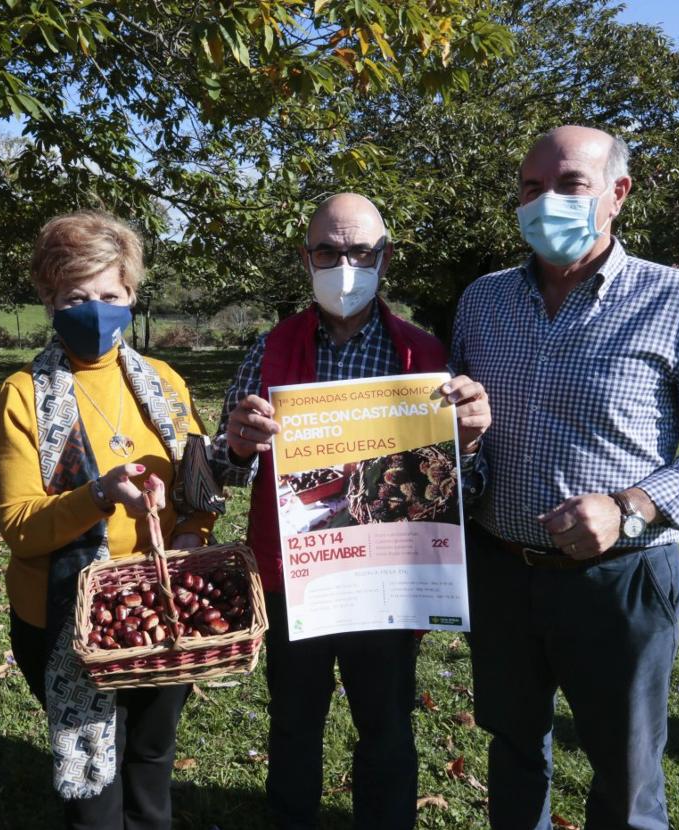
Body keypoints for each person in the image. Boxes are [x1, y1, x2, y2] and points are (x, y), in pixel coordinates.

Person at [451, 125, 679, 829]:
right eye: (532, 188)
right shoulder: (484, 301)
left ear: (617, 194)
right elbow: (458, 439)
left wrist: (631, 507)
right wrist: (465, 435)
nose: (546, 202)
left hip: (621, 580)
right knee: (512, 747)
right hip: (501, 570)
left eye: (569, 185)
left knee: (625, 772)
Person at [215, 192, 492, 829]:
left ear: (383, 259)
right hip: (296, 575)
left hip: (386, 579)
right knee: (293, 723)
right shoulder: (269, 349)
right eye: (329, 251)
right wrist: (233, 443)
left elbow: (462, 489)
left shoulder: (426, 358)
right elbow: (225, 472)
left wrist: (467, 443)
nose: (345, 264)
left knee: (387, 725)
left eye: (360, 251)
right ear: (306, 258)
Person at [0, 210, 220, 829]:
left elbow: (199, 487)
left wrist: (191, 532)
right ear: (49, 298)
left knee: (150, 753)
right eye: (75, 296)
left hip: (159, 609)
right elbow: (19, 526)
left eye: (109, 295)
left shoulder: (165, 384)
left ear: (132, 295)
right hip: (69, 620)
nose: (95, 309)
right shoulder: (23, 395)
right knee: (93, 785)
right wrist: (96, 496)